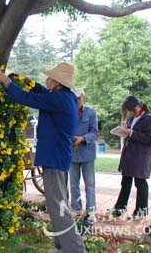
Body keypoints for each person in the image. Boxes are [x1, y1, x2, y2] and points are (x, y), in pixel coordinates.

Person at [0, 62, 87, 253]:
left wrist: (7, 81)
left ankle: (76, 250)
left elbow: (28, 98)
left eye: (49, 77)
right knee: (57, 206)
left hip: (54, 159)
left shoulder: (59, 99)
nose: (46, 79)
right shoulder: (64, 97)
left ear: (58, 82)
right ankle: (63, 246)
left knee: (59, 207)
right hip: (57, 158)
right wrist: (29, 81)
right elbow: (42, 92)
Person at [110, 96, 151, 220]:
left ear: (135, 107)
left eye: (129, 110)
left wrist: (131, 133)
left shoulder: (149, 118)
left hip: (140, 157)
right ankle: (120, 207)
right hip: (130, 155)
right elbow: (132, 133)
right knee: (125, 181)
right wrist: (125, 130)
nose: (128, 113)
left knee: (140, 183)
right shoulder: (135, 118)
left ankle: (141, 211)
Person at [69, 88, 99, 224]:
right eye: (74, 98)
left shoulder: (91, 112)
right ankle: (76, 208)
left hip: (87, 153)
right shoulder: (68, 112)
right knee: (73, 184)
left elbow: (95, 133)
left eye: (79, 98)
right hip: (72, 154)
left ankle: (91, 211)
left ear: (84, 98)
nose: (77, 100)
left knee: (90, 185)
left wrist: (83, 138)